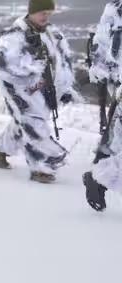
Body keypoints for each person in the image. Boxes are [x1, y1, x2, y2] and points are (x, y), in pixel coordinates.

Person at [0, 0, 78, 184]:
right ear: (31, 12)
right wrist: (32, 67)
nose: (45, 16)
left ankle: (0, 150)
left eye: (48, 12)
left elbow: (63, 63)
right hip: (20, 89)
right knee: (33, 122)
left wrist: (66, 87)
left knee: (26, 122)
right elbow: (4, 64)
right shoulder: (15, 35)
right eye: (42, 12)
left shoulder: (53, 34)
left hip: (45, 88)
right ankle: (42, 167)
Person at [83, 0, 122, 212]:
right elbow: (101, 49)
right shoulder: (115, 12)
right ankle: (99, 177)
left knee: (117, 143)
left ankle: (98, 179)